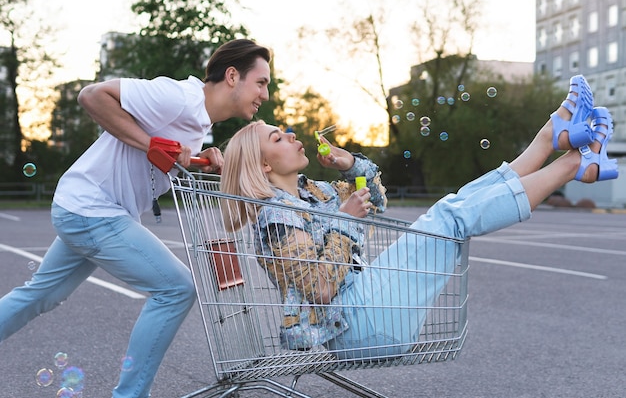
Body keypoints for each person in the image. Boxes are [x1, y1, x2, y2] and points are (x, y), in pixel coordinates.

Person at [219, 74, 618, 360]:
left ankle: (549, 140)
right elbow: (321, 289)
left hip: (368, 308)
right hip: (354, 325)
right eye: (277, 138)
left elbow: (375, 199)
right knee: (448, 217)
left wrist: (349, 163)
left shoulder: (314, 192)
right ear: (264, 167)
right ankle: (573, 163)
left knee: (454, 204)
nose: (290, 135)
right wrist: (343, 221)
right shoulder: (275, 218)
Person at [0, 39, 271, 398]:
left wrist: (201, 157)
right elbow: (92, 96)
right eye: (262, 83)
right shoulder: (177, 97)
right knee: (176, 289)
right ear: (233, 76)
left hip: (88, 208)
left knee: (40, 296)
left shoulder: (198, 120)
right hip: (93, 210)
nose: (265, 95)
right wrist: (151, 144)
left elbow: (167, 152)